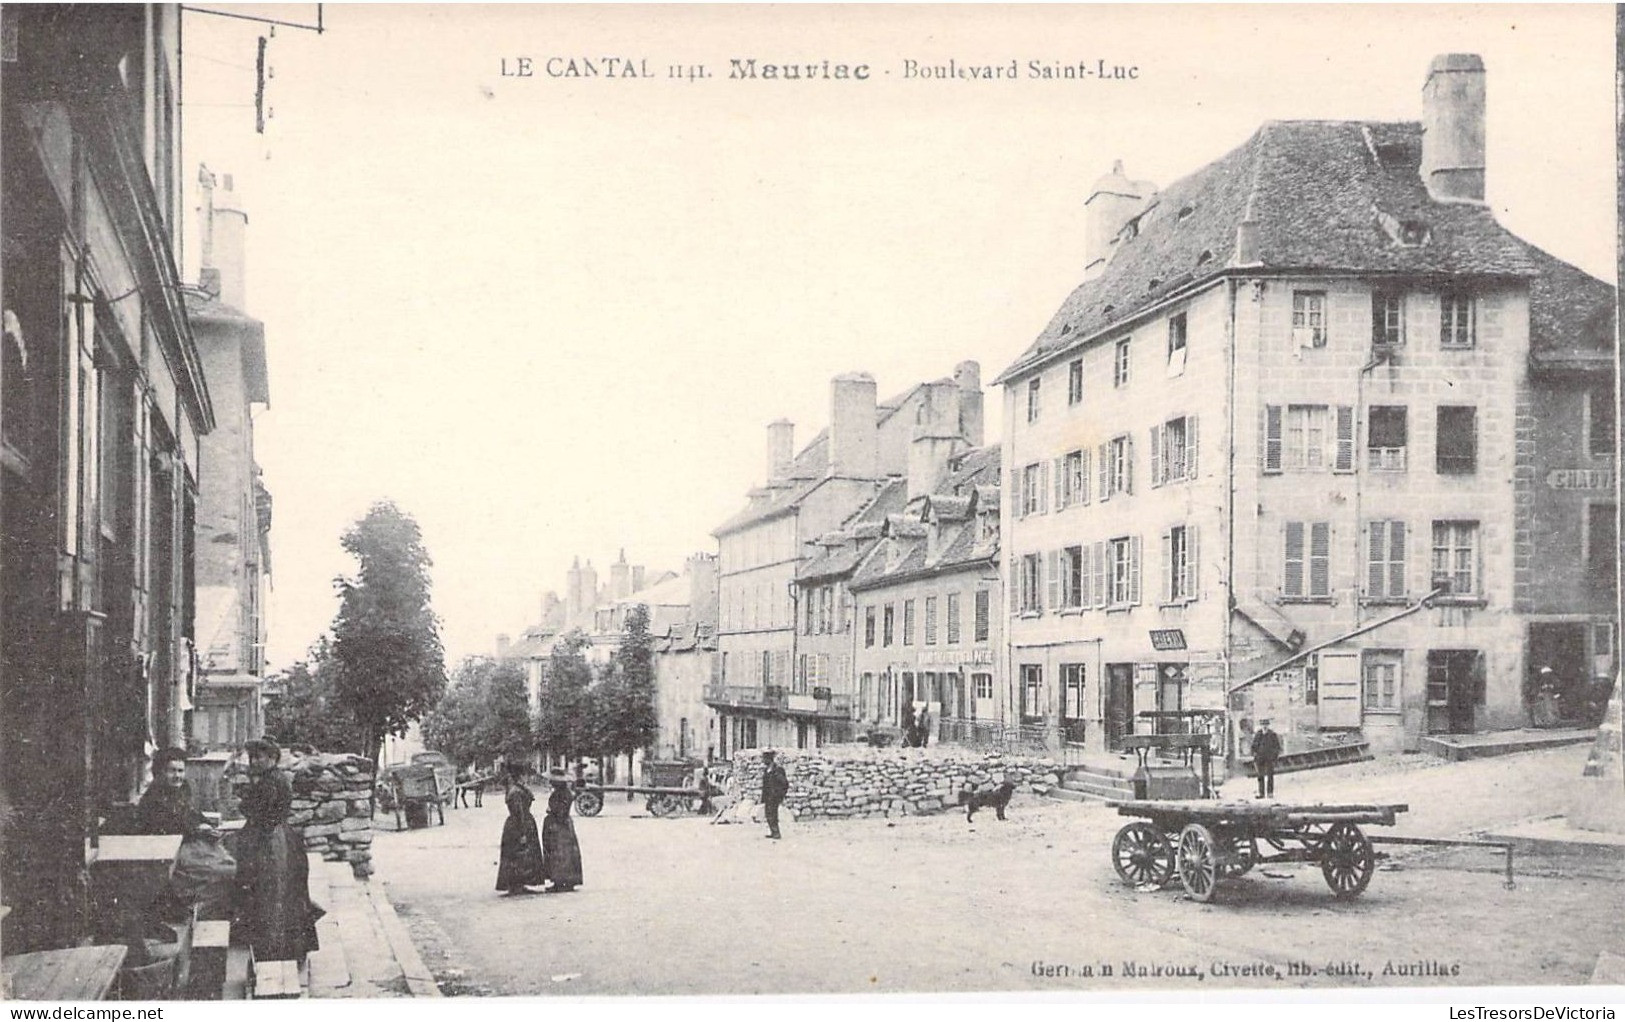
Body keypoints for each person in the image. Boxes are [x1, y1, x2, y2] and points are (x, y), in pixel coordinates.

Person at [234, 739, 321, 961]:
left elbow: (257, 811)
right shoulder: (270, 779)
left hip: (272, 842)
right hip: (279, 836)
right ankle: (285, 947)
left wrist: (243, 803)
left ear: (272, 759)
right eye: (252, 757)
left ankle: (276, 949)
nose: (254, 761)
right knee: (281, 893)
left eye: (259, 757)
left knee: (273, 892)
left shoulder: (269, 783)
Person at [134, 748, 235, 926]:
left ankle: (207, 913)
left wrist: (206, 824)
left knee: (232, 864)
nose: (177, 776)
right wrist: (199, 830)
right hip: (172, 852)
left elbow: (190, 813)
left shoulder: (181, 790)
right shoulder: (154, 799)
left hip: (190, 844)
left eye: (180, 771)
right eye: (171, 770)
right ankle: (196, 910)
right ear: (160, 772)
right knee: (226, 872)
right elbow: (168, 828)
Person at [495, 764, 544, 895]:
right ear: (520, 776)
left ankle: (520, 883)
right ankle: (516, 884)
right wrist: (522, 831)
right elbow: (519, 813)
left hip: (519, 824)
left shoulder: (517, 789)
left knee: (521, 854)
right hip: (518, 825)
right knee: (519, 853)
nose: (527, 778)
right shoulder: (516, 792)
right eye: (525, 775)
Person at [542, 768, 584, 892]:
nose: (551, 783)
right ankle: (562, 880)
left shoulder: (563, 793)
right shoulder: (563, 792)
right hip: (562, 825)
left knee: (560, 853)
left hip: (559, 826)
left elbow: (561, 811)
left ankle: (562, 881)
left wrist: (551, 811)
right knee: (562, 853)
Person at [760, 750, 788, 839]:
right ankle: (773, 831)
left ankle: (776, 833)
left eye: (765, 759)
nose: (763, 761)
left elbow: (784, 783)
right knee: (768, 814)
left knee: (773, 814)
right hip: (768, 797)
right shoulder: (766, 770)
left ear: (769, 759)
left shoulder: (777, 770)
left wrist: (780, 795)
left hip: (774, 797)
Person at [1250, 720, 1282, 799]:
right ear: (1261, 725)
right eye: (1263, 725)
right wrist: (1254, 754)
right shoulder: (1258, 734)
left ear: (1268, 725)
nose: (1264, 726)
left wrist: (1274, 756)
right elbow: (1253, 746)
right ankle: (1261, 793)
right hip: (1260, 758)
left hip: (1269, 758)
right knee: (1260, 776)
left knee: (1270, 775)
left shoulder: (1272, 735)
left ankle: (1270, 793)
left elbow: (1277, 747)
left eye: (1266, 725)